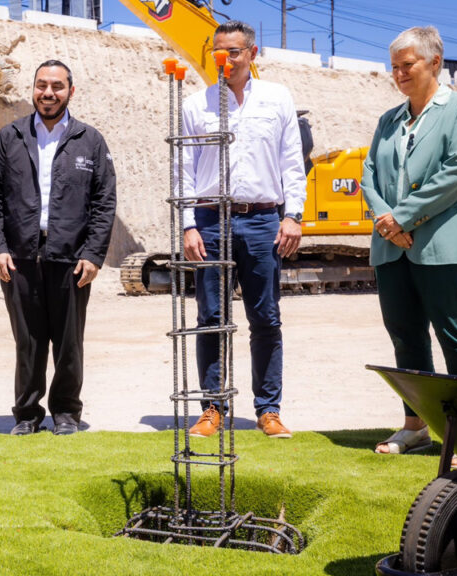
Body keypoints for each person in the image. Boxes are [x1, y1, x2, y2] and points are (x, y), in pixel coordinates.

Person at [361, 27, 457, 458]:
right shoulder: (389, 119)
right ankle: (415, 427)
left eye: (407, 65)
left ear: (435, 62)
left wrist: (401, 217)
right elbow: (369, 176)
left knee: (456, 338)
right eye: (394, 66)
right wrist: (388, 223)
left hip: (445, 245)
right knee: (406, 337)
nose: (398, 73)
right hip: (391, 247)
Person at [180, 21, 306, 439]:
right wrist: (187, 225)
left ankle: (268, 410)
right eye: (219, 52)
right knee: (211, 318)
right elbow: (182, 169)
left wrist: (294, 215)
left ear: (252, 53)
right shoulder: (197, 105)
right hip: (210, 219)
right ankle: (212, 408)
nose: (225, 59)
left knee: (265, 317)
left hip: (262, 219)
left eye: (234, 52)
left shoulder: (277, 98)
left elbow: (292, 159)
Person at [0, 60, 116, 436]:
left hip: (71, 257)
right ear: (33, 89)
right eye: (41, 85)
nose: (48, 93)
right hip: (20, 257)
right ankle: (26, 414)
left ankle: (67, 412)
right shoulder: (10, 136)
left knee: (69, 341)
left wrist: (93, 254)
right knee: (28, 340)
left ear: (71, 91)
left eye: (57, 86)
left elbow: (104, 202)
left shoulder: (90, 140)